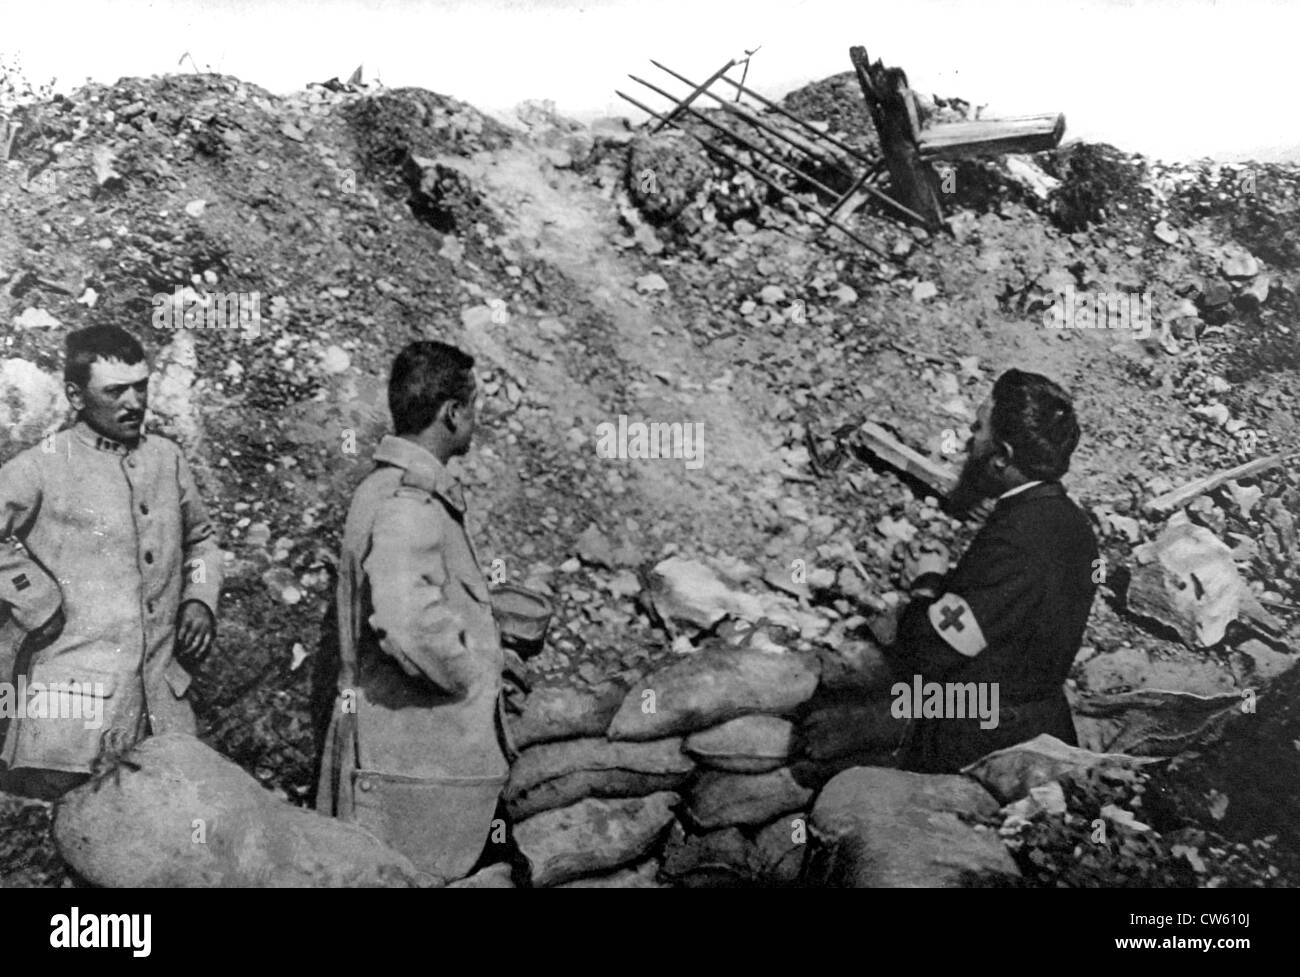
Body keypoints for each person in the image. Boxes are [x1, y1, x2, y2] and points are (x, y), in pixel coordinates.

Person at [316, 340, 513, 884]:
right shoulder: (410, 499)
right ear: (452, 412)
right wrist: (470, 674)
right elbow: (407, 622)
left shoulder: (384, 487)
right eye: (473, 407)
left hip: (396, 765)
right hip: (410, 776)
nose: (475, 421)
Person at [0, 325, 222, 799]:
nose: (134, 402)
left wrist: (200, 598)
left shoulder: (168, 459)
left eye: (140, 386)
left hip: (161, 716)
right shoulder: (42, 464)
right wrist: (36, 598)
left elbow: (202, 539)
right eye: (115, 390)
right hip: (66, 726)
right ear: (76, 395)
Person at [886, 368, 1098, 773]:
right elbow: (1008, 622)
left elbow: (930, 652)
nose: (969, 439)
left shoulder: (1017, 536)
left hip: (981, 741)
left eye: (978, 429)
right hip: (1031, 722)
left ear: (1001, 456)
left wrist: (926, 584)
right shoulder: (1070, 524)